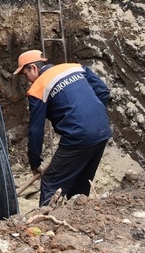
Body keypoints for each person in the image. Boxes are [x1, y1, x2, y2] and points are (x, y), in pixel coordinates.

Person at [14, 49, 112, 206]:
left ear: (33, 67)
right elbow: (103, 90)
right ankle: (79, 216)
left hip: (78, 136)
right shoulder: (74, 67)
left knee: (51, 182)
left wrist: (35, 163)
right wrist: (93, 114)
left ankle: (45, 224)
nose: (28, 80)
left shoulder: (38, 87)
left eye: (26, 75)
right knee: (81, 183)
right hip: (102, 130)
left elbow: (36, 130)